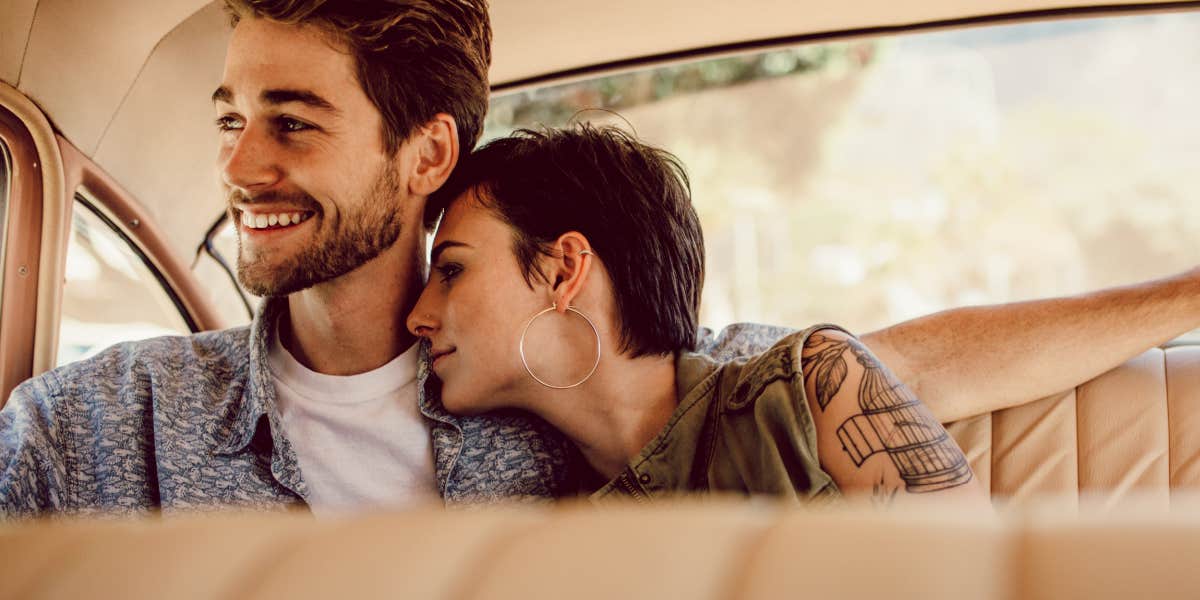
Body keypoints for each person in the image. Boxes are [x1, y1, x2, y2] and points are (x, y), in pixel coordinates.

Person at [0, 0, 1197, 517]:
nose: (242, 165)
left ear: (424, 154)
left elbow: (878, 373)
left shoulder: (601, 397)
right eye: (226, 121)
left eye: (294, 122)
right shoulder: (89, 430)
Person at [407, 124, 988, 503]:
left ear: (564, 271)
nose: (418, 316)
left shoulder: (812, 390)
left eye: (452, 269)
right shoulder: (559, 534)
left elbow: (982, 582)